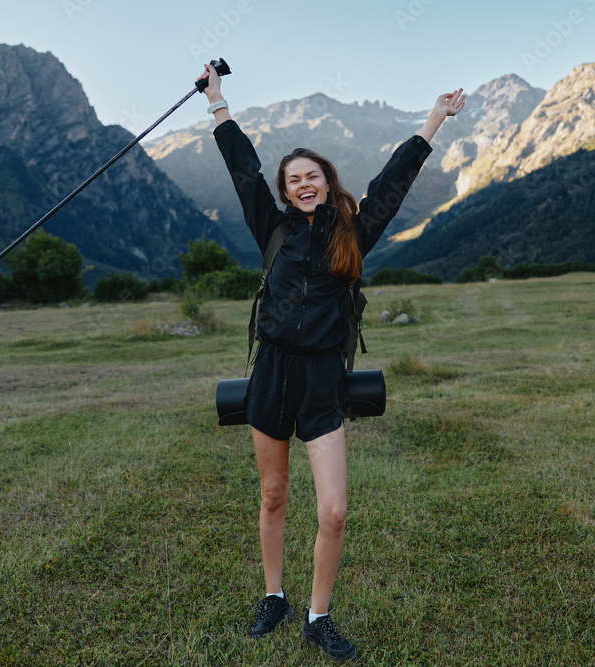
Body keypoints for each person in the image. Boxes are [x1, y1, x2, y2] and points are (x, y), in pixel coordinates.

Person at [199, 63, 464, 661]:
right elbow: (241, 169)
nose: (302, 185)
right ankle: (275, 597)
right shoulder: (273, 229)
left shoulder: (353, 231)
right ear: (286, 189)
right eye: (293, 179)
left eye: (311, 175)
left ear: (326, 179)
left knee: (335, 511)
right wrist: (218, 101)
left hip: (323, 379)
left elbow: (393, 183)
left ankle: (318, 616)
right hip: (272, 373)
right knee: (272, 495)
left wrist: (434, 120)